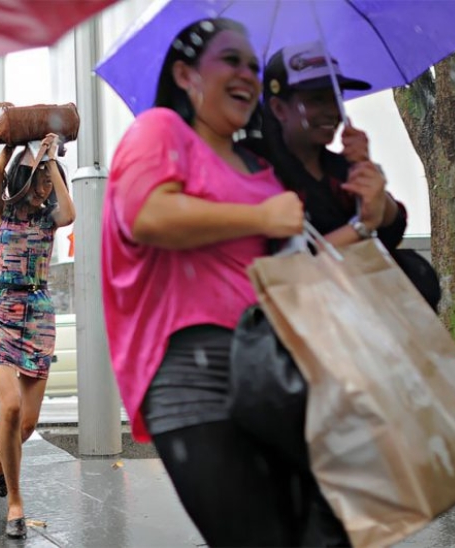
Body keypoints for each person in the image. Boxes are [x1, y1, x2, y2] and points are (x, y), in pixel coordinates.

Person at [100, 18, 333, 547]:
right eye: (230, 60)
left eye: (254, 65)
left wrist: (374, 202)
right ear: (185, 74)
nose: (247, 74)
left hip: (275, 371)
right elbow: (147, 215)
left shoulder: (261, 166)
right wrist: (260, 218)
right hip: (192, 371)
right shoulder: (160, 130)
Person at [250, 40, 441, 310]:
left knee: (415, 271)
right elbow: (284, 265)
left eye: (336, 97)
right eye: (317, 100)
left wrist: (371, 182)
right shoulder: (254, 169)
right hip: (292, 314)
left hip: (350, 312)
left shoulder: (339, 169)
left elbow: (390, 230)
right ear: (280, 109)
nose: (332, 111)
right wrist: (360, 226)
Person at [0, 133, 75, 539]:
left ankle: (0, 454)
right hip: (2, 311)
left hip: (38, 315)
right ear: (24, 179)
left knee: (27, 425)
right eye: (38, 181)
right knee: (11, 407)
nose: (44, 190)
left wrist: (51, 159)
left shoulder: (49, 223)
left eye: (48, 183)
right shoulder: (1, 215)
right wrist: (12, 140)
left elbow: (69, 211)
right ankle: (16, 504)